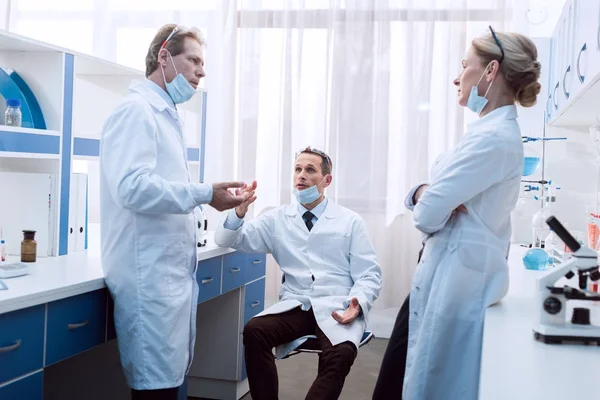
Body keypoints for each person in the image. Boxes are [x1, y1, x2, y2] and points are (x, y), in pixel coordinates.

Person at [373, 27, 541, 400]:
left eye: (465, 65)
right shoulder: (487, 131)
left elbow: (427, 215)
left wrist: (426, 197)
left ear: (490, 71)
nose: (456, 76)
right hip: (444, 276)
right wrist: (422, 193)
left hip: (455, 286)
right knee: (399, 377)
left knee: (415, 381)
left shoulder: (493, 139)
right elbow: (430, 201)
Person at [99, 24, 253, 400]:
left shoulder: (164, 114)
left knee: (165, 385)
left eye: (204, 64)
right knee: (156, 390)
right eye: (194, 60)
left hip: (163, 276)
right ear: (164, 56)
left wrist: (208, 196)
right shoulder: (136, 111)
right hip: (147, 276)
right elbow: (131, 187)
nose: (201, 71)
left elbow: (159, 188)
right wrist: (204, 193)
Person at [214, 147, 382, 400]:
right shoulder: (277, 218)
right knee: (254, 330)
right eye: (297, 169)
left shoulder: (350, 221)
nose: (301, 176)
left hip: (337, 304)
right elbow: (228, 239)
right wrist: (239, 211)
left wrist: (357, 304)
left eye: (310, 170)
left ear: (327, 180)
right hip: (298, 304)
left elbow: (369, 274)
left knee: (342, 352)